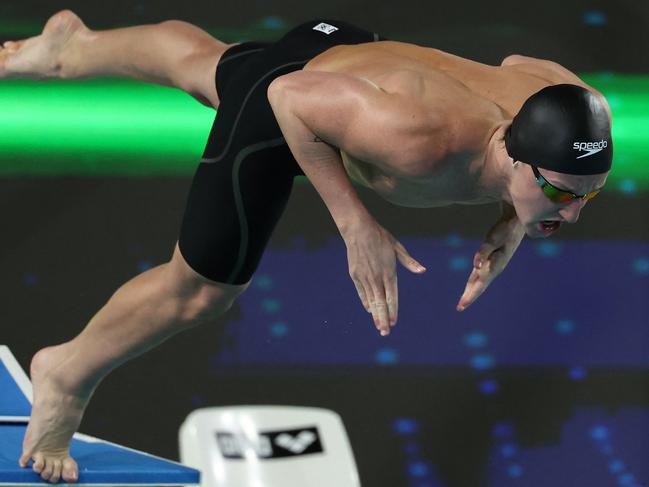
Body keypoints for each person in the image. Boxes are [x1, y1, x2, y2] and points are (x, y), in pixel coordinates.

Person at [0, 10, 612, 484]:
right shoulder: (422, 140)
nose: (575, 211)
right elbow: (289, 97)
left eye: (590, 193)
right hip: (298, 97)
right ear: (512, 153)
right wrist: (356, 225)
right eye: (561, 195)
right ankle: (66, 374)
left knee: (215, 67)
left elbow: (520, 60)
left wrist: (515, 216)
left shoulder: (569, 103)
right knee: (202, 292)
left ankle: (70, 48)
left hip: (341, 49)